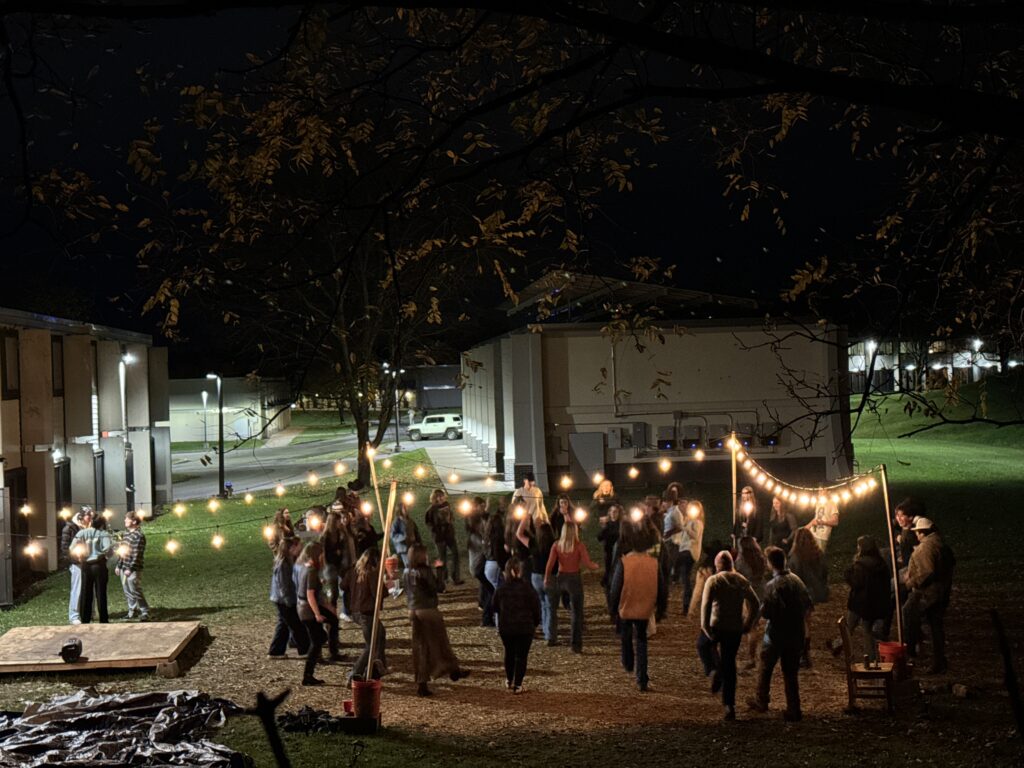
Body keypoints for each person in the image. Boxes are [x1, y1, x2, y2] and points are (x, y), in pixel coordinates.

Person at [748, 546, 813, 721]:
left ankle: (761, 700)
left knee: (765, 668)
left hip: (776, 634)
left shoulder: (772, 585)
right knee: (790, 673)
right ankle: (794, 708)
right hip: (796, 633)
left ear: (770, 564)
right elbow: (808, 605)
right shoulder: (797, 581)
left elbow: (768, 612)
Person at [698, 550, 760, 720]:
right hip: (734, 628)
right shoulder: (741, 580)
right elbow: (755, 603)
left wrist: (705, 628)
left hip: (716, 625)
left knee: (703, 645)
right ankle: (729, 705)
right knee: (729, 663)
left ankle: (714, 671)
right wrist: (748, 623)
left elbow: (706, 606)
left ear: (717, 565)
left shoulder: (714, 580)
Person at [404, 543, 470, 696]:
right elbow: (438, 587)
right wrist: (440, 570)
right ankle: (453, 669)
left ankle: (422, 683)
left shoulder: (407, 572)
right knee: (441, 642)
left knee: (420, 647)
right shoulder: (424, 571)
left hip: (413, 610)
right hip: (427, 610)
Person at [609, 535, 667, 692]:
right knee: (642, 641)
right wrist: (661, 608)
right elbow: (661, 586)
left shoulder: (624, 562)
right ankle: (642, 678)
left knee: (626, 636)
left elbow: (616, 586)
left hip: (627, 604)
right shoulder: (654, 563)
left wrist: (613, 608)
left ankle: (628, 660)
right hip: (644, 606)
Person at [903, 517, 954, 674]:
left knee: (909, 613)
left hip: (927, 593)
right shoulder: (940, 543)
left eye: (917, 532)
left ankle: (910, 650)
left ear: (922, 533)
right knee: (935, 626)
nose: (916, 535)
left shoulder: (926, 548)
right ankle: (939, 660)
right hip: (941, 590)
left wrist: (911, 582)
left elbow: (927, 572)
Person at [544, 521, 599, 652]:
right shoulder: (579, 546)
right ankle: (575, 644)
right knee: (576, 613)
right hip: (574, 578)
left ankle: (551, 636)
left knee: (552, 608)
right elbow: (588, 563)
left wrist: (546, 577)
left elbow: (550, 564)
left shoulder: (557, 545)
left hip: (561, 577)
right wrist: (596, 566)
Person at [491, 556, 542, 693]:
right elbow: (536, 608)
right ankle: (518, 684)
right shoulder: (528, 589)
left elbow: (494, 607)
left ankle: (509, 679)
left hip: (507, 627)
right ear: (520, 571)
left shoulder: (501, 590)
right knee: (521, 656)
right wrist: (535, 623)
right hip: (525, 627)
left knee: (509, 653)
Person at [296, 541, 342, 686]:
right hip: (308, 610)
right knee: (318, 640)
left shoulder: (305, 567)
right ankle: (308, 675)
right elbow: (309, 594)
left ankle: (331, 652)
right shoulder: (311, 571)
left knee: (332, 622)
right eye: (321, 554)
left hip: (306, 607)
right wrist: (317, 614)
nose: (323, 557)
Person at [842, 535, 892, 661]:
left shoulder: (861, 565)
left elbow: (856, 583)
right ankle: (870, 657)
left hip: (860, 603)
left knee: (850, 626)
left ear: (862, 548)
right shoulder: (881, 563)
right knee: (866, 629)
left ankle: (864, 655)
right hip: (874, 603)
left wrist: (848, 574)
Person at [788, 528, 828, 667]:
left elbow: (793, 576)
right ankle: (805, 653)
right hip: (813, 592)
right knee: (806, 622)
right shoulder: (818, 554)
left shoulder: (795, 557)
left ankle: (803, 654)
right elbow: (824, 571)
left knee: (800, 624)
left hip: (800, 593)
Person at [348, 547, 387, 685]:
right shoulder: (371, 573)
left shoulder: (354, 571)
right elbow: (379, 593)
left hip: (356, 612)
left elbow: (343, 585)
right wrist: (386, 585)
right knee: (371, 645)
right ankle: (354, 674)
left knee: (381, 633)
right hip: (366, 613)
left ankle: (379, 666)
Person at [268, 536, 310, 658]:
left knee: (284, 625)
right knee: (296, 625)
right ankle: (305, 650)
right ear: (289, 548)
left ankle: (276, 651)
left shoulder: (287, 561)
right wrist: (289, 601)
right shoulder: (283, 564)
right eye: (295, 547)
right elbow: (283, 585)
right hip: (284, 600)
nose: (298, 549)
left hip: (282, 599)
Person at [72, 513, 113, 625]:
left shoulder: (81, 533)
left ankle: (85, 619)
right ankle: (103, 619)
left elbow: (72, 547)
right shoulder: (103, 534)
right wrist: (104, 555)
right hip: (99, 565)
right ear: (102, 524)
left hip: (85, 565)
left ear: (91, 522)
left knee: (86, 592)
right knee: (101, 592)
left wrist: (79, 556)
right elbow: (108, 549)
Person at [734, 535, 768, 669]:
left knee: (752, 627)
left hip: (750, 594)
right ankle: (756, 655)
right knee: (756, 624)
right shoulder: (761, 558)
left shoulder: (741, 561)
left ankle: (752, 658)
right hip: (762, 591)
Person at [523, 506, 556, 641]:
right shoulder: (554, 545)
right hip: (550, 576)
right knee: (550, 606)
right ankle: (550, 635)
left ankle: (544, 627)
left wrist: (524, 518)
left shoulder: (533, 543)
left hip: (535, 577)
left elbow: (519, 534)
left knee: (542, 603)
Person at [115, 509, 150, 621]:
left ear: (134, 521)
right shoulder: (126, 534)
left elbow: (137, 553)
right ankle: (132, 611)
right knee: (127, 591)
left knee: (135, 590)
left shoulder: (138, 536)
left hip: (133, 569)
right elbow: (122, 551)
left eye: (127, 518)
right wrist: (119, 565)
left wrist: (130, 568)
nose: (124, 520)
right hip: (123, 567)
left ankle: (145, 611)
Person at [320, 510, 356, 612]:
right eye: (338, 521)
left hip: (340, 564)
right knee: (334, 591)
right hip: (330, 566)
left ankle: (347, 611)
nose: (340, 522)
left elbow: (343, 546)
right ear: (333, 522)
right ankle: (332, 612)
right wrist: (323, 570)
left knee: (346, 586)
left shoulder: (340, 533)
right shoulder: (326, 536)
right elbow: (324, 554)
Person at [62, 506, 93, 625]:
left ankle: (89, 612)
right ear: (81, 516)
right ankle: (74, 615)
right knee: (77, 588)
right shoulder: (70, 528)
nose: (90, 519)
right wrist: (75, 560)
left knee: (89, 588)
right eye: (88, 516)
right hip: (76, 563)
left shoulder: (89, 528)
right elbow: (65, 548)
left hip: (88, 561)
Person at [425, 489, 462, 584]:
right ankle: (444, 578)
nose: (440, 498)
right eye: (438, 496)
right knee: (442, 558)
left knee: (456, 554)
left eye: (442, 496)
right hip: (439, 537)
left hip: (449, 535)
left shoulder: (447, 505)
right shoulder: (431, 510)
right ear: (434, 498)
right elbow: (429, 524)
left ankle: (455, 577)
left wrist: (450, 520)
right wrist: (437, 529)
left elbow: (451, 516)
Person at [482, 502, 508, 627]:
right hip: (496, 566)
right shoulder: (498, 537)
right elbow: (498, 554)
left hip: (488, 565)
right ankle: (501, 623)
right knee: (501, 596)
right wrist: (503, 568)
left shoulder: (487, 536)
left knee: (496, 594)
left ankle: (496, 622)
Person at [677, 501, 705, 614]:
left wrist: (685, 528)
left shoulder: (697, 522)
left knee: (686, 579)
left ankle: (687, 605)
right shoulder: (689, 522)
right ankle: (687, 605)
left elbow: (695, 536)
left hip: (690, 552)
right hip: (685, 551)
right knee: (685, 579)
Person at [466, 496, 492, 616]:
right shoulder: (474, 537)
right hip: (478, 566)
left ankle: (482, 604)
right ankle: (486, 613)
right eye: (481, 506)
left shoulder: (478, 521)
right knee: (490, 588)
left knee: (485, 585)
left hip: (479, 565)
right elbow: (485, 546)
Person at [688, 538, 724, 618]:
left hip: (702, 570)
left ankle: (691, 611)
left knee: (697, 592)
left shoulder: (708, 558)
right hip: (710, 572)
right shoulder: (719, 559)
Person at [597, 502, 622, 590]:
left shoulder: (621, 525)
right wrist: (604, 527)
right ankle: (608, 585)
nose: (613, 513)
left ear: (619, 513)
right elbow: (599, 538)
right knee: (609, 569)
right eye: (611, 511)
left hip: (619, 552)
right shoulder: (608, 525)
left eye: (615, 512)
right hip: (608, 551)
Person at [390, 500, 421, 568]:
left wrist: (418, 542)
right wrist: (404, 537)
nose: (406, 509)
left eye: (407, 507)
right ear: (400, 509)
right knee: (408, 565)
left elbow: (416, 532)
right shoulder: (397, 522)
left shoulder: (410, 520)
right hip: (404, 548)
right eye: (404, 507)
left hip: (413, 546)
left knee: (415, 565)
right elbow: (393, 535)